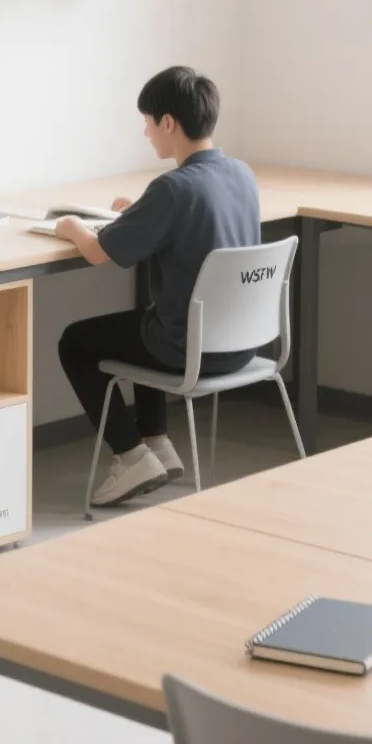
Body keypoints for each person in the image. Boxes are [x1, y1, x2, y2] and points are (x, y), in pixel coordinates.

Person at [52, 66, 261, 507]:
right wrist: (139, 211)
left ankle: (130, 456)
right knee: (147, 319)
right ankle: (157, 443)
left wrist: (69, 226)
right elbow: (186, 221)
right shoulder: (241, 173)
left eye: (147, 121)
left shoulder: (171, 189)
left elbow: (97, 253)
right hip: (242, 344)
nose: (145, 132)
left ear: (169, 123)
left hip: (190, 349)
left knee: (75, 343)